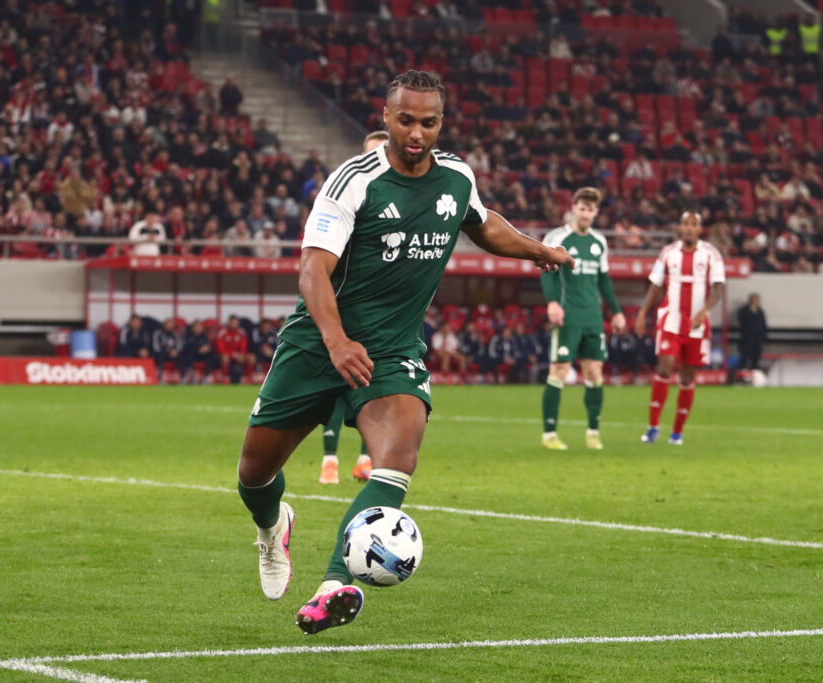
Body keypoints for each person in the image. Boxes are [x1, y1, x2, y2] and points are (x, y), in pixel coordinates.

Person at [234, 70, 572, 635]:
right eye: (407, 120)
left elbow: (482, 225)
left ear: (441, 122)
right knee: (253, 474)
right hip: (317, 344)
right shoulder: (354, 181)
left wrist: (538, 250)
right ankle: (272, 528)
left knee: (397, 460)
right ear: (387, 116)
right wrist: (337, 341)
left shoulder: (456, 177)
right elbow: (312, 268)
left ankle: (332, 585)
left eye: (429, 122)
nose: (417, 133)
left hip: (392, 352)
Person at [318, 130, 388, 486]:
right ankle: (329, 460)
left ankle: (365, 460)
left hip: (381, 313)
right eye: (369, 154)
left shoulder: (400, 204)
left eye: (382, 153)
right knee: (336, 384)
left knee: (372, 382)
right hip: (343, 306)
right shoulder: (344, 195)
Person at [539, 187, 626, 451]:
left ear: (596, 212)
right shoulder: (558, 237)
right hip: (568, 315)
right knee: (559, 371)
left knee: (594, 372)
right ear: (574, 208)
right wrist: (553, 302)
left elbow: (603, 280)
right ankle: (549, 435)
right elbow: (547, 272)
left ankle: (593, 432)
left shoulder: (599, 242)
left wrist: (616, 311)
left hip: (592, 317)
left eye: (591, 210)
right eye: (582, 208)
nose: (586, 214)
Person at [635, 212, 726, 445]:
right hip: (671, 321)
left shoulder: (711, 254)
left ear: (700, 229)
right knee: (664, 367)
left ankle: (677, 432)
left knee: (687, 378)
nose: (689, 228)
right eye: (685, 224)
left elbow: (718, 287)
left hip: (696, 324)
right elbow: (655, 284)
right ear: (679, 228)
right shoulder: (668, 252)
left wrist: (705, 310)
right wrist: (643, 312)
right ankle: (653, 427)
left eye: (693, 225)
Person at [737, 293, 767, 371]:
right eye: (754, 300)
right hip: (746, 339)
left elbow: (763, 325)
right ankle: (743, 373)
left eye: (757, 301)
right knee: (744, 358)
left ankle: (754, 372)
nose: (755, 302)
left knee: (756, 359)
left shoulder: (760, 311)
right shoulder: (744, 311)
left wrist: (763, 337)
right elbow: (742, 321)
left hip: (757, 340)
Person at [217, 315, 249, 384]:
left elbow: (243, 347)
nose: (233, 325)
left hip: (238, 355)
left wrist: (241, 354)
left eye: (235, 323)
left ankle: (245, 377)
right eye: (232, 323)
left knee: (250, 358)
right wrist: (232, 354)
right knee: (225, 358)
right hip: (226, 355)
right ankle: (225, 377)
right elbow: (221, 349)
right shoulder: (222, 332)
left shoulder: (241, 332)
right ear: (229, 323)